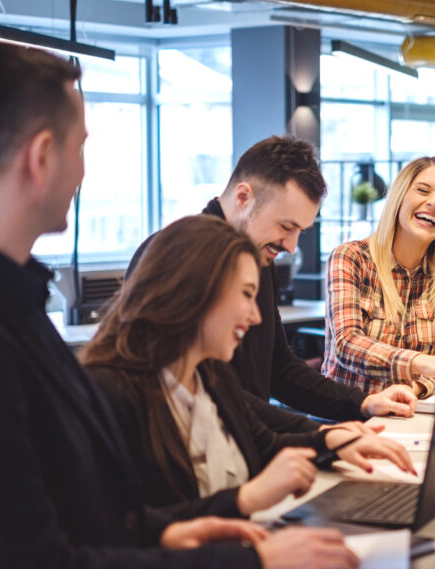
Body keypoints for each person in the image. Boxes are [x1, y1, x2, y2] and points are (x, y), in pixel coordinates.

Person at [0, 42, 358, 569]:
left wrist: (176, 531)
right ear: (40, 155)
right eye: (81, 146)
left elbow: (78, 517)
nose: (83, 170)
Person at [81, 215, 415, 512]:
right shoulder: (109, 395)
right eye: (245, 294)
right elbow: (127, 529)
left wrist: (331, 441)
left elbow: (264, 444)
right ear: (193, 291)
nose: (255, 316)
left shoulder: (208, 376)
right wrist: (245, 500)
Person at [126, 136, 416, 434]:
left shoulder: (259, 259)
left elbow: (279, 369)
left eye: (299, 231)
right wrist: (319, 436)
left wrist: (364, 403)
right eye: (286, 227)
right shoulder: (174, 257)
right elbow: (210, 396)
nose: (291, 246)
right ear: (243, 198)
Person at [322, 156, 435, 398]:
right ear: (399, 197)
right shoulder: (351, 257)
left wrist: (413, 388)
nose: (434, 203)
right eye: (423, 190)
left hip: (412, 415)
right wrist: (419, 362)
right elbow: (346, 345)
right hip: (347, 419)